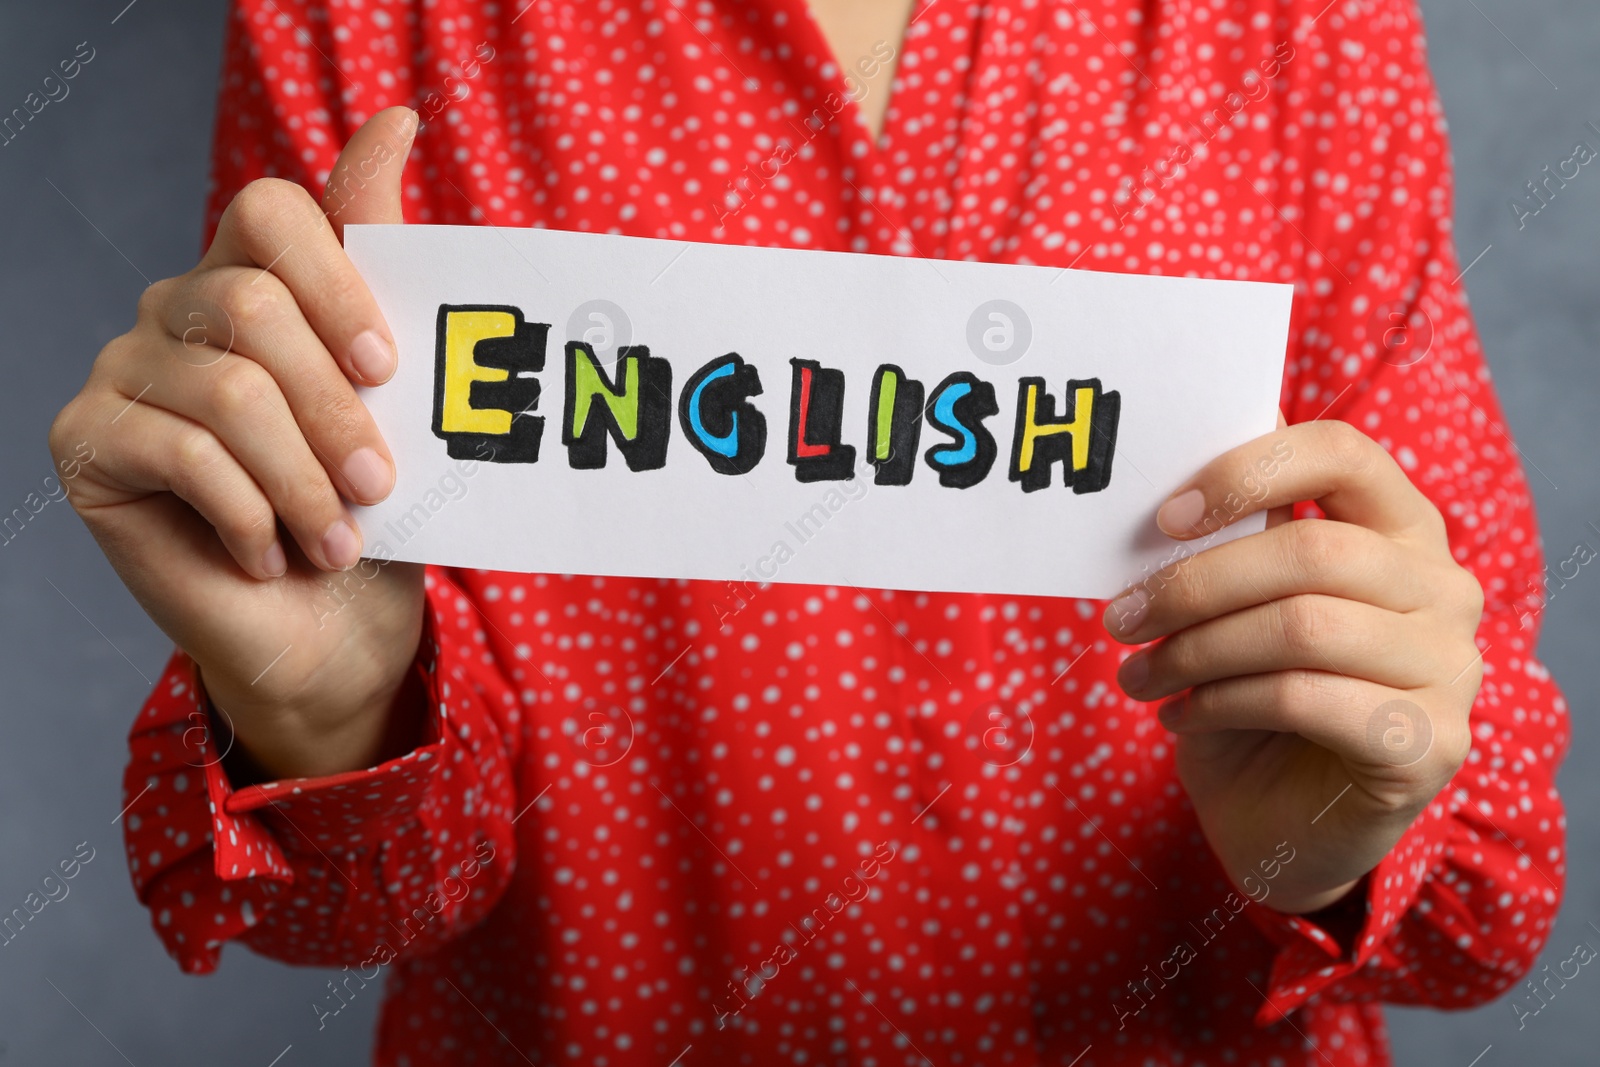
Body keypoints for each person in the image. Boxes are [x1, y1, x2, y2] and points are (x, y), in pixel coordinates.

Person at [49, 0, 1569, 1063]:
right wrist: (331, 705)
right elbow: (374, 903)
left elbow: (1486, 898)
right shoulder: (366, 22)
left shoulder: (1303, 25)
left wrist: (1340, 826)